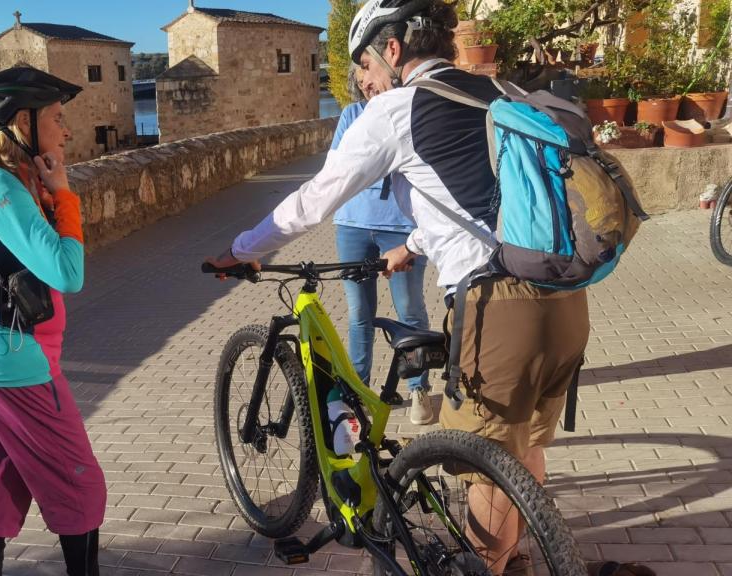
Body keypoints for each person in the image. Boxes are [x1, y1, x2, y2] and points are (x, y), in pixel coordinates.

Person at [206, 0, 589, 572]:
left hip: (499, 306)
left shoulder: (396, 111)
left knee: (483, 465)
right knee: (525, 450)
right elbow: (484, 204)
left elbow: (315, 199)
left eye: (363, 64)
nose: (361, 81)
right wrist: (411, 247)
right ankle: (520, 561)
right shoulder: (497, 92)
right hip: (564, 296)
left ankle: (492, 565)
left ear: (393, 49)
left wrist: (241, 252)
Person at [0, 66, 105, 576]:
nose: (65, 131)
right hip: (18, 367)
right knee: (80, 489)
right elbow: (67, 271)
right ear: (23, 121)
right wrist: (62, 193)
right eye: (57, 119)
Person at [333, 63, 433, 425]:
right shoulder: (352, 114)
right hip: (352, 224)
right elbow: (342, 166)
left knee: (409, 310)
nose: (365, 85)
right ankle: (359, 392)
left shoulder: (412, 109)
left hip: (402, 227)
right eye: (359, 80)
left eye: (369, 76)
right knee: (359, 313)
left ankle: (418, 388)